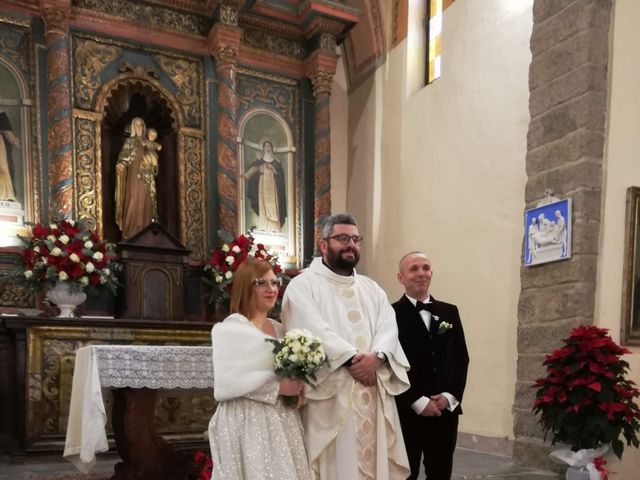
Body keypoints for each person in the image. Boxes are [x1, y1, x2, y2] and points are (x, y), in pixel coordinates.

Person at [282, 213, 411, 480]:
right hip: (332, 392)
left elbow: (388, 325)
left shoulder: (371, 288)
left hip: (372, 388)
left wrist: (378, 357)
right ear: (324, 244)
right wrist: (354, 360)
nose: (350, 244)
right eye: (342, 238)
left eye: (355, 239)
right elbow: (308, 328)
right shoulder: (303, 285)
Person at [208, 257, 312, 480]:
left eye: (274, 283)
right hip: (246, 419)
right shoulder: (233, 326)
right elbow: (230, 379)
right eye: (261, 283)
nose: (271, 289)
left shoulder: (280, 328)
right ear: (246, 286)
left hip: (281, 419)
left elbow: (289, 370)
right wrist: (278, 388)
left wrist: (299, 384)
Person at [393, 252, 469, 480]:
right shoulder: (390, 314)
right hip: (408, 409)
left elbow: (460, 358)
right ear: (401, 277)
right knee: (407, 472)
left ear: (431, 273)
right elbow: (391, 364)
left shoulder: (449, 312)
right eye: (413, 269)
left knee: (441, 472)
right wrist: (418, 401)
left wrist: (449, 396)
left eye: (425, 268)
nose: (421, 274)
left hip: (444, 411)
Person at [115, 117, 158, 239]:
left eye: (141, 125)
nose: (139, 127)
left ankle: (145, 229)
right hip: (134, 173)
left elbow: (155, 157)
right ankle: (131, 231)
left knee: (146, 199)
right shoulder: (129, 141)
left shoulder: (148, 142)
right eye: (136, 125)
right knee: (133, 197)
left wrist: (152, 160)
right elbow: (124, 156)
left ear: (144, 127)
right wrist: (121, 164)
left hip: (146, 175)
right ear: (133, 127)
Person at [245, 140, 287, 232]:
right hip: (262, 183)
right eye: (266, 146)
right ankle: (264, 226)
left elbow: (280, 175)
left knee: (273, 205)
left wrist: (273, 168)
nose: (267, 148)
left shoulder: (276, 161)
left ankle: (275, 227)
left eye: (269, 146)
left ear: (271, 148)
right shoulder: (259, 160)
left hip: (272, 185)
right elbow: (253, 170)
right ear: (263, 148)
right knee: (263, 203)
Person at [141, 127, 161, 220]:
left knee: (152, 192)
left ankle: (153, 214)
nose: (152, 137)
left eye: (154, 136)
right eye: (151, 135)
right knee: (144, 190)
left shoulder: (154, 144)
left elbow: (158, 147)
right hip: (143, 170)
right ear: (147, 134)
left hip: (151, 170)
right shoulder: (144, 142)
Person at [0, 111, 20, 201]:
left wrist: (14, 140)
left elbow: (7, 132)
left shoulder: (1, 115)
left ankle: (6, 195)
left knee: (3, 169)